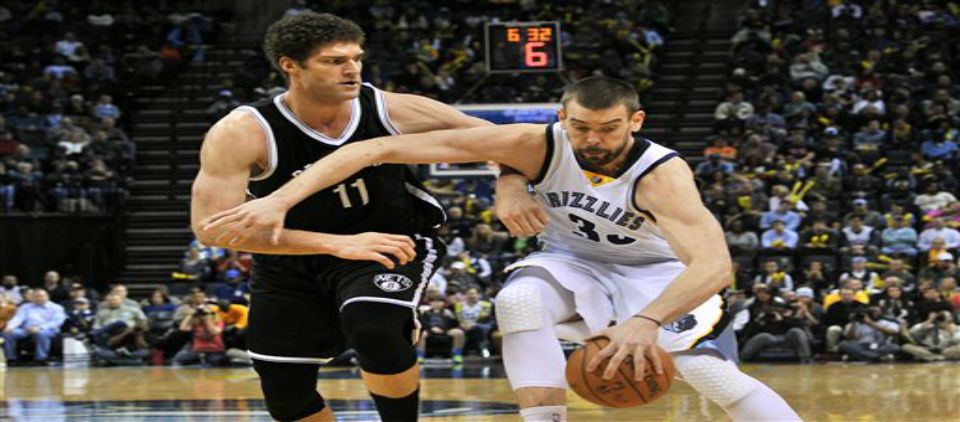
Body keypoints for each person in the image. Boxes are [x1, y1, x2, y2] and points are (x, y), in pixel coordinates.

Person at [203, 76, 799, 421]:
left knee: (705, 375)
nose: (593, 140)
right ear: (561, 117)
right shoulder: (529, 141)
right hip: (572, 264)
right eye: (581, 127)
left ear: (635, 121)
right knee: (518, 304)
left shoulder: (661, 175)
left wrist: (645, 322)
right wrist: (279, 201)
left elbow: (715, 264)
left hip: (655, 274)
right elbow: (371, 151)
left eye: (609, 128)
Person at [189, 13, 489, 422]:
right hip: (288, 262)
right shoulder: (243, 132)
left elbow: (506, 141)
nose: (352, 70)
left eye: (357, 58)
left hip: (386, 243)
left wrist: (509, 187)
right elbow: (211, 230)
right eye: (334, 61)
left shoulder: (389, 108)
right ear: (290, 65)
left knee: (374, 327)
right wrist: (336, 244)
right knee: (286, 398)